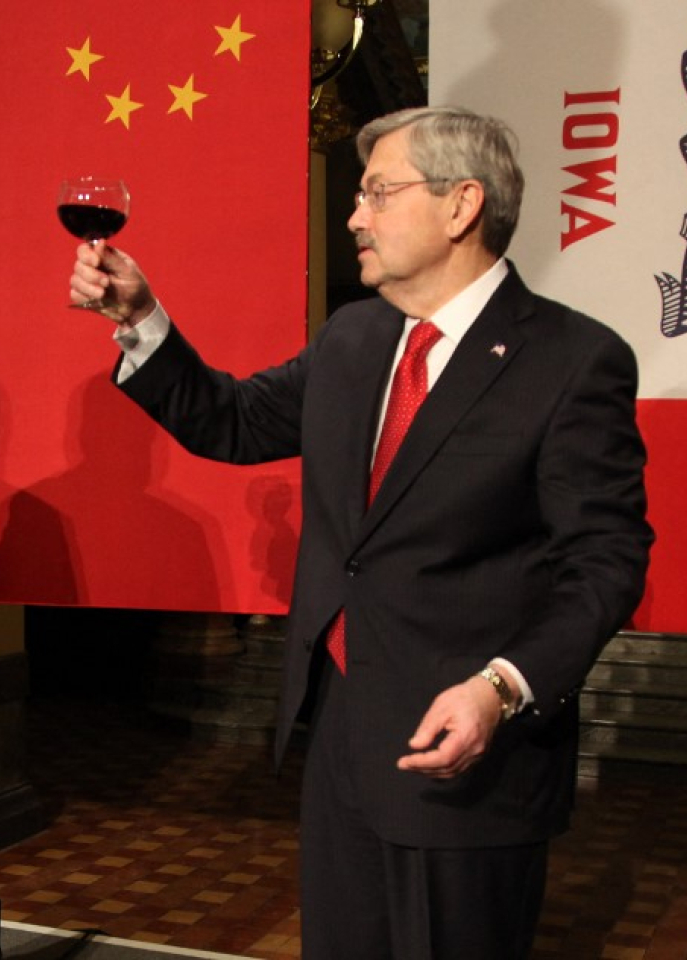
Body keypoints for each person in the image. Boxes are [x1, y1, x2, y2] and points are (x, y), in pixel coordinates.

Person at [69, 105, 652, 959]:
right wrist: (143, 316)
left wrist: (499, 688)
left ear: (461, 207)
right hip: (340, 737)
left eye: (378, 192)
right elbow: (231, 422)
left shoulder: (572, 361)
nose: (354, 214)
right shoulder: (354, 336)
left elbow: (605, 563)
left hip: (466, 756)